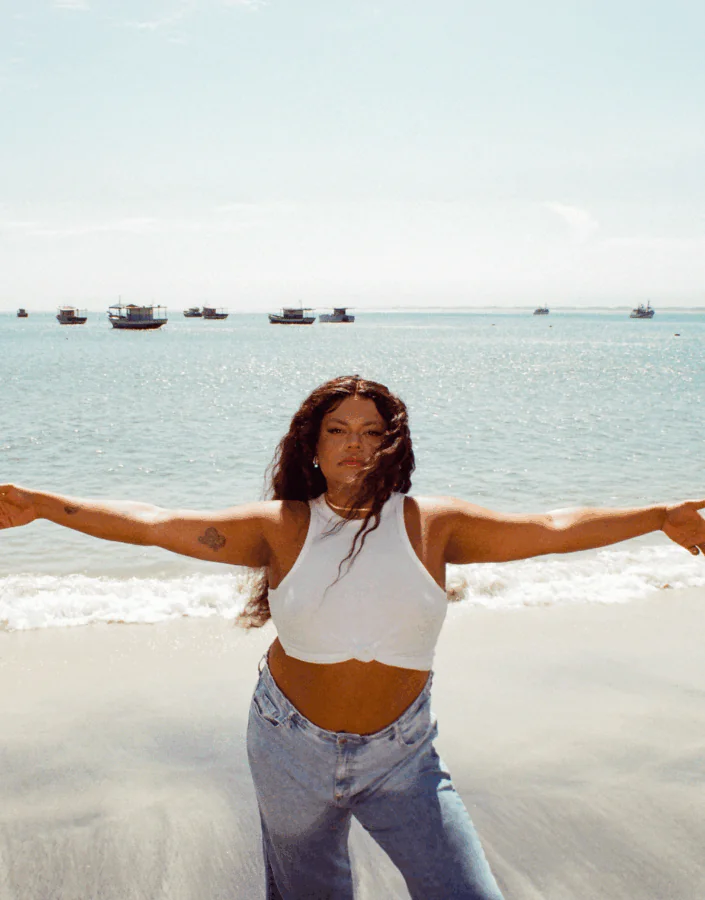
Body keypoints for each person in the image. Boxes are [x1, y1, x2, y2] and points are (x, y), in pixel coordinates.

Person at [1, 373, 704, 900]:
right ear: (311, 441)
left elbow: (552, 528)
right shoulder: (280, 526)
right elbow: (153, 521)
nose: (355, 445)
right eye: (338, 429)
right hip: (288, 750)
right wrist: (41, 507)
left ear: (391, 444)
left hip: (404, 757)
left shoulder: (432, 523)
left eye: (371, 432)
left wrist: (657, 515)